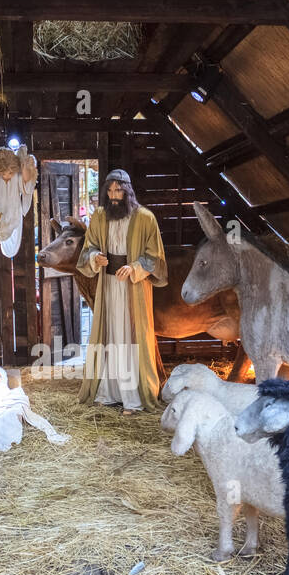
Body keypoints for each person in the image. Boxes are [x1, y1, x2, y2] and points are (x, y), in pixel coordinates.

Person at [75, 169, 167, 414]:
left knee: (130, 337)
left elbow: (155, 256)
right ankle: (108, 392)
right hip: (108, 285)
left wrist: (134, 267)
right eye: (110, 190)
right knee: (111, 336)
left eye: (119, 190)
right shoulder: (99, 217)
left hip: (133, 288)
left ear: (128, 191)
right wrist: (96, 257)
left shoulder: (146, 218)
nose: (114, 195)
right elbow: (88, 248)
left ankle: (133, 398)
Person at [0, 366, 70, 452]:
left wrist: (10, 404)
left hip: (5, 406)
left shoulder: (5, 388)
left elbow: (18, 398)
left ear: (3, 378)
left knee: (10, 414)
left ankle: (6, 439)